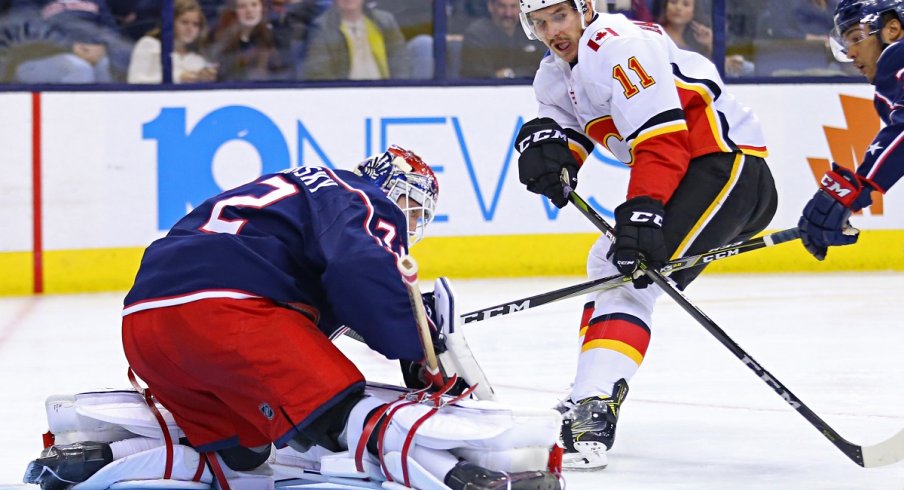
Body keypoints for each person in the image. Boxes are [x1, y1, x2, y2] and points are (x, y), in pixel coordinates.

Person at [22, 146, 563, 490]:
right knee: (340, 412)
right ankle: (468, 476)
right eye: (411, 209)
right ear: (391, 189)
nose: (408, 223)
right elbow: (360, 268)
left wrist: (382, 321)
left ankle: (101, 456)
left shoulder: (293, 196)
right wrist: (414, 343)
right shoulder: (359, 196)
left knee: (243, 452)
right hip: (228, 313)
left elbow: (315, 297)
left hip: (146, 323)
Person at [514, 0, 778, 470]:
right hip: (695, 171)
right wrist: (553, 158)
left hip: (727, 165)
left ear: (585, 9)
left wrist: (644, 212)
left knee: (629, 273)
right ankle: (587, 397)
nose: (551, 30)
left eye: (559, 16)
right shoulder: (555, 75)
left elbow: (662, 140)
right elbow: (570, 132)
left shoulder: (620, 46)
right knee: (610, 264)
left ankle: (594, 406)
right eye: (539, 22)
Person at [798, 0, 904, 260]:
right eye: (846, 44)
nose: (851, 53)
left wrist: (857, 188)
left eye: (857, 38)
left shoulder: (897, 59)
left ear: (892, 30)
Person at [302, 0, 410, 80]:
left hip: (387, 94)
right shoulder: (321, 28)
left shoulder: (385, 21)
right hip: (347, 98)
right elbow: (319, 73)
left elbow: (400, 62)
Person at [127, 0, 217, 83]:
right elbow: (135, 80)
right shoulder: (149, 44)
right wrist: (179, 77)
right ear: (170, 22)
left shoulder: (199, 60)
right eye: (184, 22)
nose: (190, 29)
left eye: (195, 24)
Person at [459, 0, 545, 79]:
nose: (508, 13)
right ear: (491, 6)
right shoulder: (477, 34)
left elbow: (543, 68)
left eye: (513, 7)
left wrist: (509, 74)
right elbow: (479, 75)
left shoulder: (533, 32)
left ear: (520, 7)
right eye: (502, 6)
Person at [208, 0, 291, 81]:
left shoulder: (277, 37)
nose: (249, 10)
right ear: (235, 11)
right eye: (242, 6)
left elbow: (285, 72)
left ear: (262, 8)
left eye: (254, 5)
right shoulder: (224, 39)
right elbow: (221, 70)